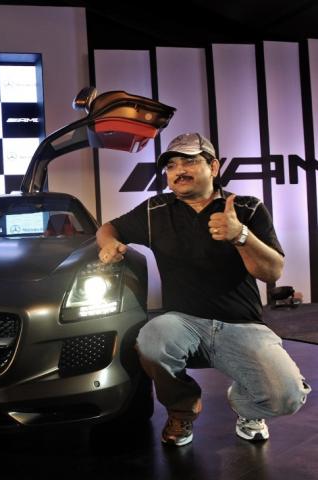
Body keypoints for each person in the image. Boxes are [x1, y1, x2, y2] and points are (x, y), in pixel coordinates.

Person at [96, 132, 310, 447]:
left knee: (287, 398)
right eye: (171, 165)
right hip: (183, 323)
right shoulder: (155, 211)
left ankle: (247, 405)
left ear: (213, 166)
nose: (178, 171)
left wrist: (241, 236)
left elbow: (272, 271)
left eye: (189, 161)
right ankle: (182, 408)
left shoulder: (247, 208)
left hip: (242, 326)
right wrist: (109, 243)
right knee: (151, 339)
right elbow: (108, 227)